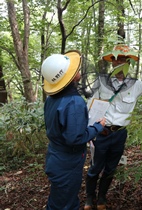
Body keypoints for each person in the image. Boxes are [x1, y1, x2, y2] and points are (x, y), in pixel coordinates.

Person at [84, 44, 142, 210]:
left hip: (120, 134)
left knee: (110, 168)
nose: (120, 63)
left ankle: (101, 198)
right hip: (101, 133)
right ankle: (89, 198)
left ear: (128, 63)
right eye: (116, 60)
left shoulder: (136, 85)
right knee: (95, 167)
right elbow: (89, 106)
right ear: (112, 62)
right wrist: (89, 132)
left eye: (123, 60)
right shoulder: (101, 82)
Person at [41, 50, 106, 210]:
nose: (78, 71)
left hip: (56, 157)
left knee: (59, 197)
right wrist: (98, 127)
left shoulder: (52, 99)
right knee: (66, 203)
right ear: (66, 77)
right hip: (67, 162)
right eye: (72, 70)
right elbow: (75, 138)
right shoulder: (74, 102)